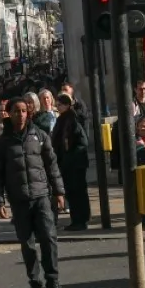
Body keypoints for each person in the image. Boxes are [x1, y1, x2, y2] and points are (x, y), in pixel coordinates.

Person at [0, 99, 66, 288]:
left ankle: (53, 280)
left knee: (49, 239)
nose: (21, 115)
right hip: (19, 199)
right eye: (16, 111)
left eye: (24, 111)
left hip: (41, 196)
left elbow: (52, 165)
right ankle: (35, 283)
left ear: (28, 113)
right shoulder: (2, 143)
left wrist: (59, 192)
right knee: (27, 244)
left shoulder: (39, 136)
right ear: (9, 114)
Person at [51, 93, 90, 232]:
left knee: (76, 193)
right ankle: (78, 219)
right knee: (73, 193)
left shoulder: (72, 120)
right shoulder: (63, 119)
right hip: (68, 163)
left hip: (74, 164)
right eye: (57, 104)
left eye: (60, 104)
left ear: (67, 105)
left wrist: (68, 157)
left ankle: (80, 220)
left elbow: (82, 142)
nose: (57, 106)